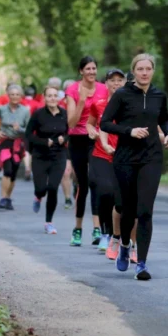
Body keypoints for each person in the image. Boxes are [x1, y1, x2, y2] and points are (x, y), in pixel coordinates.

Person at [100, 53, 168, 280]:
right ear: (133, 72)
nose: (144, 73)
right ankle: (124, 244)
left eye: (148, 69)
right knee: (127, 209)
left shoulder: (158, 95)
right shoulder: (122, 95)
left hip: (151, 157)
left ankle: (141, 263)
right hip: (125, 158)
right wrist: (129, 131)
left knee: (145, 211)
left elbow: (164, 119)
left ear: (153, 71)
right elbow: (105, 123)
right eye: (140, 69)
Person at [65, 57, 108, 247]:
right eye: (88, 69)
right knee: (83, 184)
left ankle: (97, 228)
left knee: (95, 181)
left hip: (97, 138)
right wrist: (81, 101)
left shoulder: (103, 89)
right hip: (77, 140)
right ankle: (78, 228)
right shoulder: (72, 90)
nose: (91, 72)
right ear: (81, 71)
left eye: (94, 68)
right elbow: (71, 123)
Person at [88, 69, 126, 253]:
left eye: (119, 80)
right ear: (106, 83)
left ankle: (114, 235)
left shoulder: (129, 106)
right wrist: (91, 130)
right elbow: (90, 122)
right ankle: (105, 233)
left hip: (123, 156)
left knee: (118, 198)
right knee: (105, 191)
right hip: (101, 154)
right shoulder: (98, 104)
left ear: (125, 83)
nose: (116, 83)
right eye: (112, 80)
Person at [25, 85, 68, 234]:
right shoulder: (38, 114)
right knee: (41, 189)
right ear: (44, 98)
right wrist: (43, 142)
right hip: (40, 156)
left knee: (53, 188)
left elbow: (71, 132)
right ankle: (38, 196)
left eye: (55, 95)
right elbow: (28, 135)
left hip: (58, 156)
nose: (52, 98)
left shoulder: (65, 114)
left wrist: (64, 138)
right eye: (49, 96)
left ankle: (49, 222)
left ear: (59, 98)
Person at [0, 84, 32, 210]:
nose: (15, 97)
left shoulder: (25, 111)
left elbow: (29, 129)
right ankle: (3, 198)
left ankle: (8, 198)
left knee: (13, 174)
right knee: (7, 171)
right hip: (5, 142)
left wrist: (20, 128)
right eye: (12, 94)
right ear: (8, 96)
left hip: (18, 144)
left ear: (21, 96)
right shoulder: (2, 109)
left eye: (17, 94)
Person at [22, 84, 39, 180]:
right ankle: (32, 170)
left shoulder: (21, 103)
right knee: (33, 151)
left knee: (26, 150)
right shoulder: (37, 104)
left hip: (24, 130)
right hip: (35, 131)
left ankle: (27, 167)